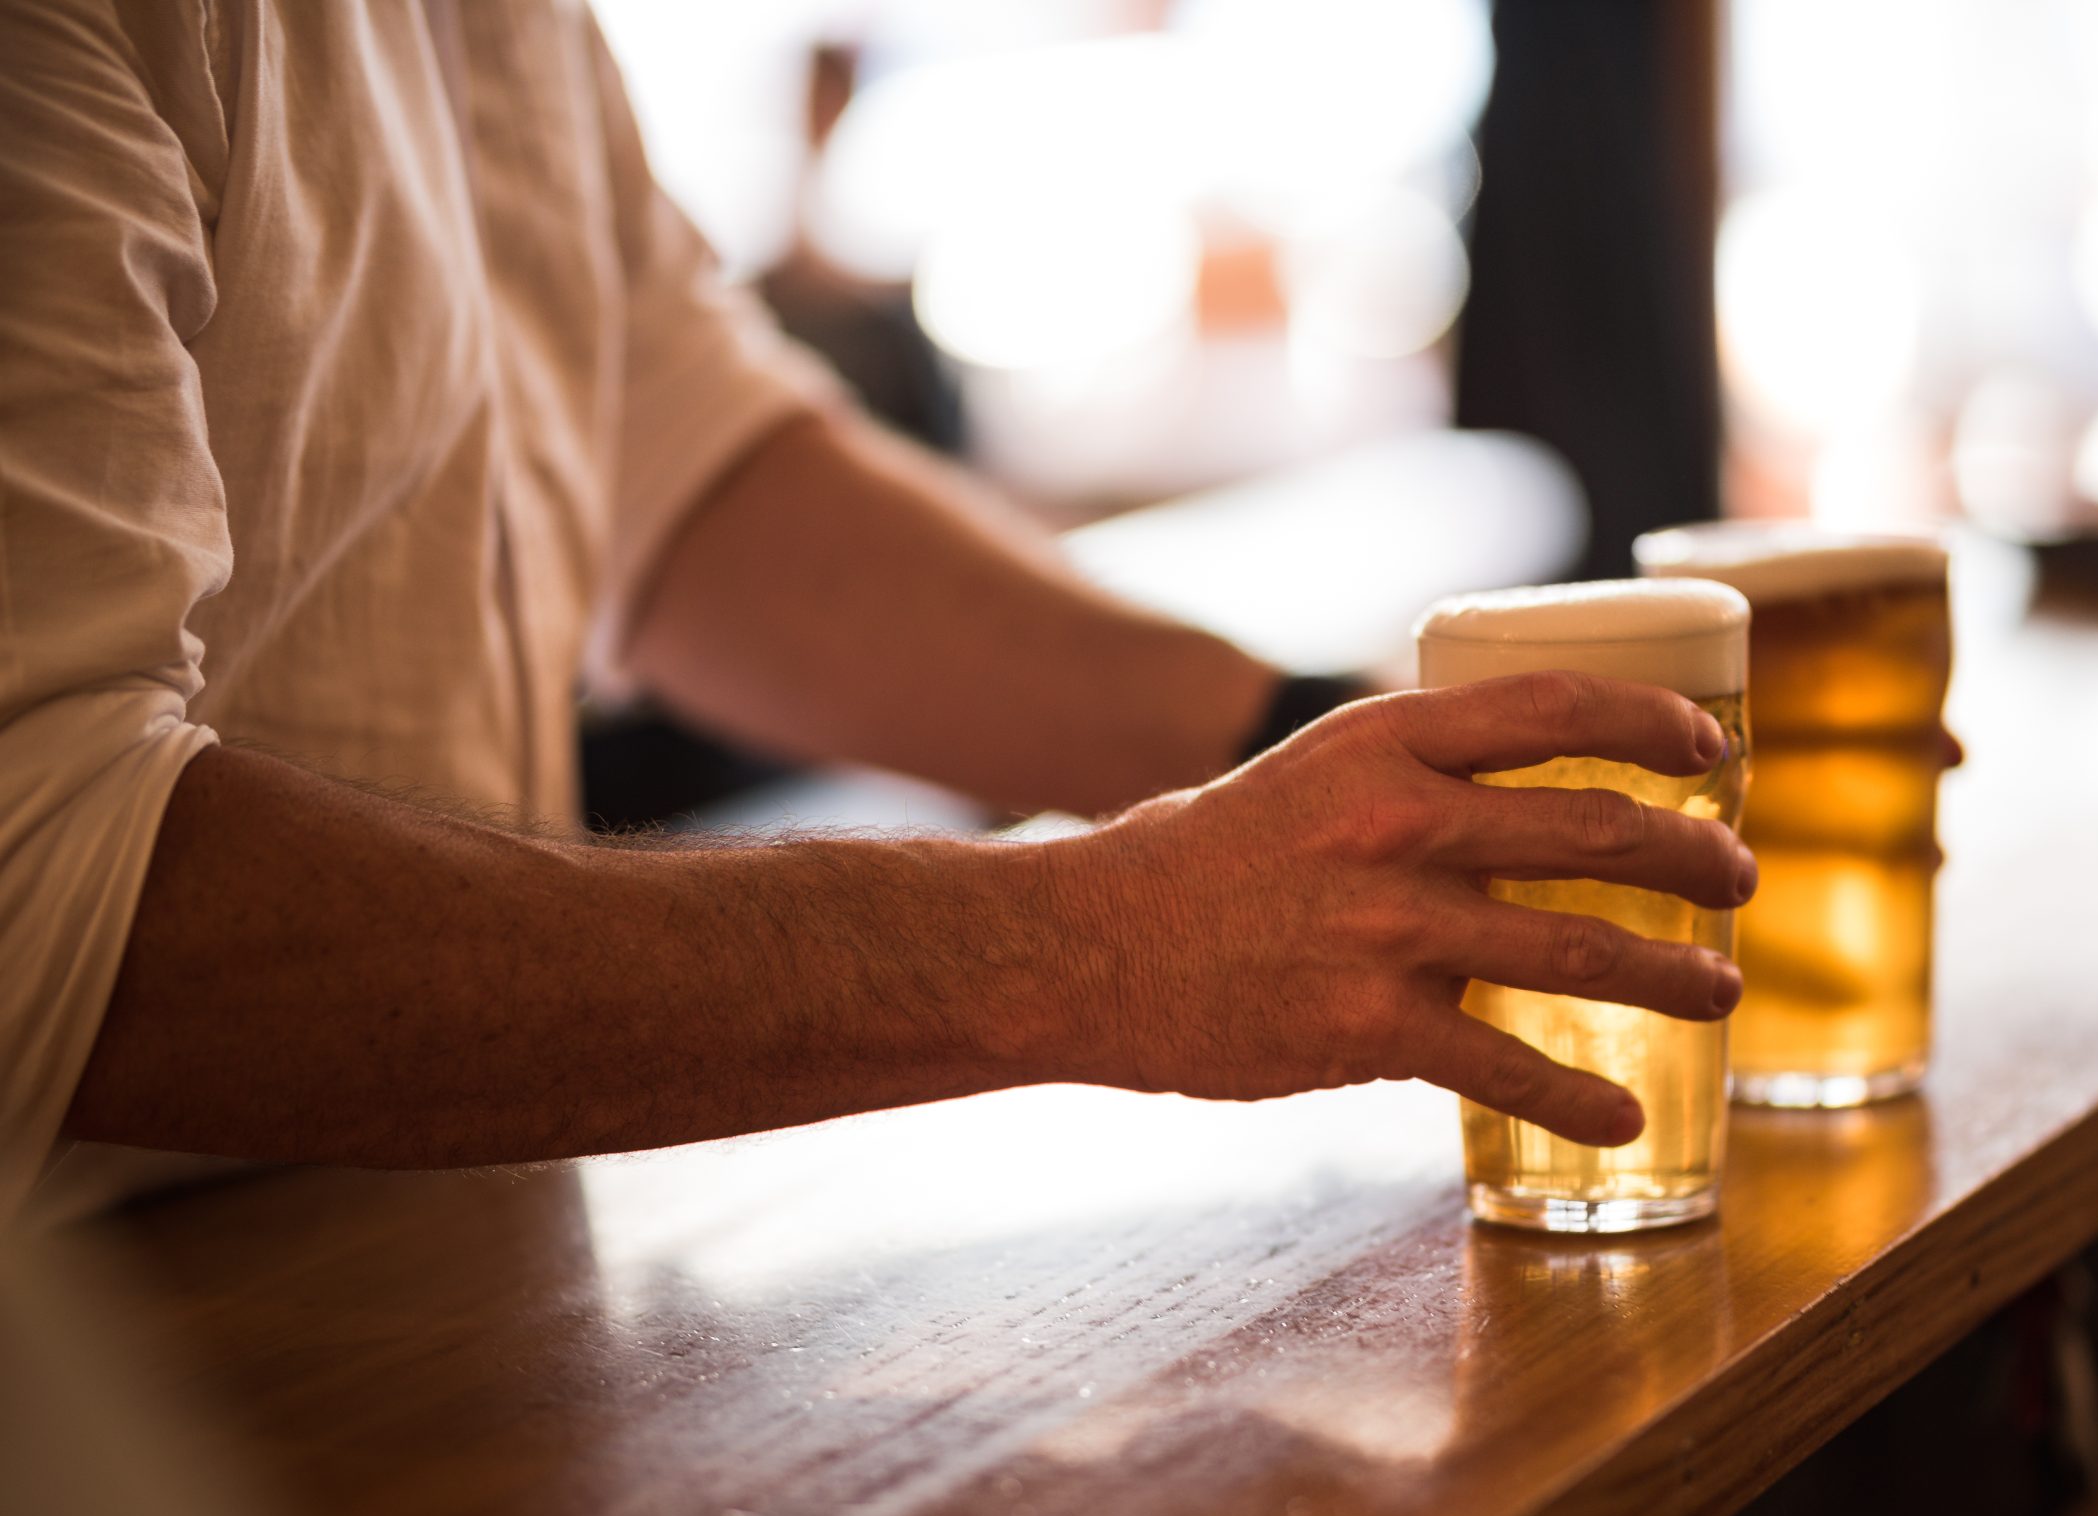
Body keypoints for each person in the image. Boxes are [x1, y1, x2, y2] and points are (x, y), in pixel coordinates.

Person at [0, 0, 1753, 1222]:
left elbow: (676, 464)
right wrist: (1098, 944)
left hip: (425, 1281)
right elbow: (48, 879)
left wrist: (1328, 754)